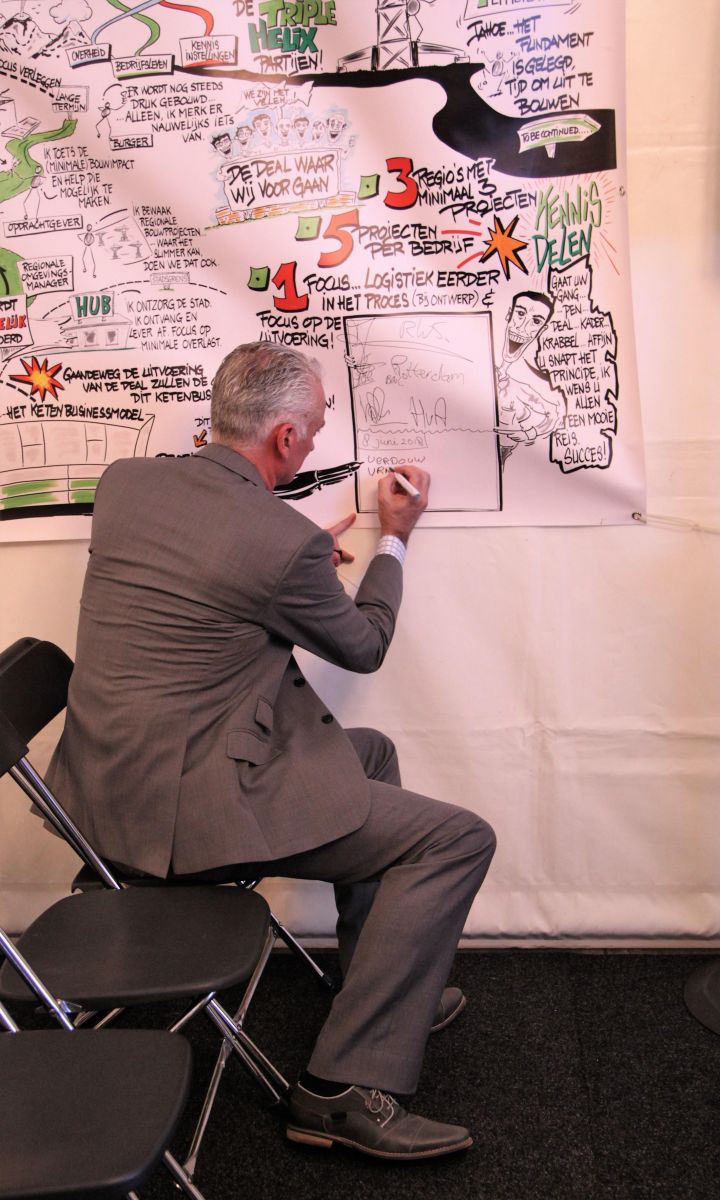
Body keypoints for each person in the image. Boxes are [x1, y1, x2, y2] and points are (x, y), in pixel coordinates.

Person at [48, 342, 496, 1160]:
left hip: (101, 797)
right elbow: (364, 645)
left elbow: (204, 577)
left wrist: (292, 561)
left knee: (369, 752)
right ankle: (340, 1092)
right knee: (457, 838)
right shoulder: (280, 544)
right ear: (286, 438)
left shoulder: (126, 484)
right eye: (316, 429)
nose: (318, 441)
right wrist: (393, 541)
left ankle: (381, 986)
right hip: (180, 826)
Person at [496, 290, 564, 467]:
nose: (522, 327)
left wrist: (529, 433)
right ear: (509, 314)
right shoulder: (479, 363)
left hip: (502, 461)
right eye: (520, 314)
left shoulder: (522, 385)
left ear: (542, 330)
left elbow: (554, 413)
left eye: (536, 321)